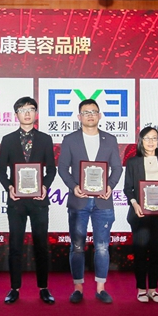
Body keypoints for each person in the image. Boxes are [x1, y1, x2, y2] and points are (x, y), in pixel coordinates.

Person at [58, 99, 122, 304]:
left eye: (94, 111)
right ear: (79, 117)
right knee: (77, 246)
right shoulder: (70, 139)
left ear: (100, 115)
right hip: (79, 201)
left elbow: (117, 168)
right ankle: (78, 287)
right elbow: (62, 168)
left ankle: (101, 288)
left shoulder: (110, 139)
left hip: (103, 201)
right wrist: (73, 186)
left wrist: (110, 186)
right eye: (86, 112)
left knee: (102, 246)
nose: (90, 115)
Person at [0, 97, 57, 305]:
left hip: (39, 201)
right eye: (22, 110)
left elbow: (51, 170)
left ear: (36, 113)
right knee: (15, 245)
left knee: (41, 245)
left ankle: (44, 287)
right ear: (16, 115)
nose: (27, 113)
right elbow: (0, 170)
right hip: (17, 201)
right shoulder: (8, 140)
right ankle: (14, 288)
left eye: (31, 109)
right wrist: (9, 188)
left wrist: (45, 187)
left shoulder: (45, 139)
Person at [123, 127, 158, 303]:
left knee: (156, 252)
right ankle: (141, 289)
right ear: (141, 141)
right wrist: (135, 204)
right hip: (140, 214)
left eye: (154, 138)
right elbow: (128, 188)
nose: (151, 142)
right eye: (147, 138)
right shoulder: (133, 162)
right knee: (140, 252)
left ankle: (153, 289)